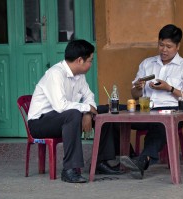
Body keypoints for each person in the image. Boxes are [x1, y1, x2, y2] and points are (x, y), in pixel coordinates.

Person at [28, 39, 122, 183]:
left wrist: (88, 113)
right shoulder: (55, 74)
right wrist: (85, 109)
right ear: (80, 60)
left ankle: (101, 162)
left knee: (103, 111)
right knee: (73, 114)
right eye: (90, 60)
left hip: (62, 118)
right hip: (40, 123)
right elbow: (61, 106)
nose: (91, 64)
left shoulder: (79, 76)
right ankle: (69, 170)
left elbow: (89, 96)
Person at [120, 24, 183, 179]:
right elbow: (135, 94)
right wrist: (137, 87)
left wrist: (169, 88)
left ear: (178, 46)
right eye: (161, 45)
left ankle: (143, 160)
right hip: (144, 110)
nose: (164, 50)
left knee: (161, 123)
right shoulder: (147, 63)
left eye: (168, 46)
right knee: (111, 116)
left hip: (171, 112)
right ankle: (122, 158)